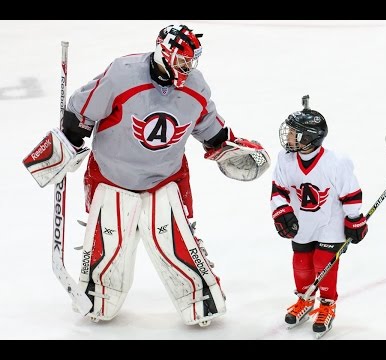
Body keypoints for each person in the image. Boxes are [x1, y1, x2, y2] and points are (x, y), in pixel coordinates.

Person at [24, 24, 270, 327]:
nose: (187, 67)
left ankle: (199, 300)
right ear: (164, 53)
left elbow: (212, 130)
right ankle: (98, 298)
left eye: (190, 61)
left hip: (164, 179)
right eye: (182, 61)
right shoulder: (122, 74)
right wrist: (69, 138)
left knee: (176, 245)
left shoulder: (196, 87)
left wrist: (227, 146)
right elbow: (82, 113)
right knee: (109, 252)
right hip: (111, 177)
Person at [270, 95, 367, 337]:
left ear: (309, 137)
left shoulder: (336, 162)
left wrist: (354, 219)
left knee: (323, 263)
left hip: (330, 224)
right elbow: (278, 190)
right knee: (301, 264)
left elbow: (351, 194)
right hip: (302, 223)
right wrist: (281, 212)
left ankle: (327, 305)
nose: (288, 136)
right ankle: (305, 299)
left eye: (294, 132)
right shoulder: (285, 159)